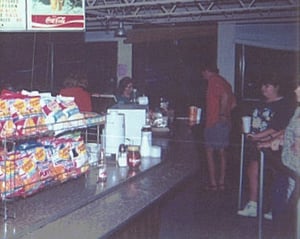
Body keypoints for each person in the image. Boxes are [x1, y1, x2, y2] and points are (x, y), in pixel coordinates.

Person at [237, 73, 295, 218]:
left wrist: (259, 137)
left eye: (267, 86)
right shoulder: (261, 102)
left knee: (277, 176)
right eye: (262, 85)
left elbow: (277, 127)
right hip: (258, 143)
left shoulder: (284, 105)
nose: (263, 89)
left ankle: (274, 207)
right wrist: (249, 131)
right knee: (253, 170)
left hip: (274, 145)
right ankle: (254, 204)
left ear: (276, 87)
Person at [257, 76, 299, 238]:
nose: (296, 90)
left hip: (296, 171)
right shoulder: (298, 110)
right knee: (281, 203)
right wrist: (274, 141)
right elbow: (287, 131)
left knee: (290, 212)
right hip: (288, 166)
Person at [201, 62, 236, 191]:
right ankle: (221, 182)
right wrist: (225, 113)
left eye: (203, 72)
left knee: (209, 151)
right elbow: (233, 103)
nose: (202, 75)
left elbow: (225, 96)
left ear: (206, 71)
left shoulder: (213, 80)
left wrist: (220, 113)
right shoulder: (225, 82)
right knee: (222, 152)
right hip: (224, 122)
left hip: (214, 121)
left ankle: (213, 184)